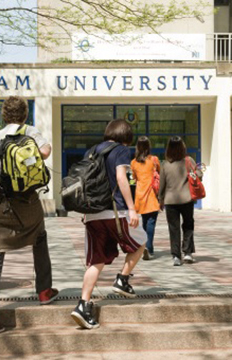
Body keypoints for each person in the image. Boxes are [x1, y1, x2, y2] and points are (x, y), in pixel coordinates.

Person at [0, 96, 58, 335]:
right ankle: (44, 291)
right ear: (24, 115)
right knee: (39, 238)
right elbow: (45, 151)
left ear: (3, 115)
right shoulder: (30, 131)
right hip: (27, 202)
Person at [70, 119, 147, 330]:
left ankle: (82, 305)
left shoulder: (91, 151)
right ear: (126, 136)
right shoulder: (120, 150)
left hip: (92, 214)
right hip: (116, 212)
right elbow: (122, 178)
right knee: (140, 242)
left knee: (96, 261)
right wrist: (132, 208)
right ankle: (122, 279)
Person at [159, 136, 202, 266]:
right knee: (188, 225)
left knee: (174, 228)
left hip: (170, 201)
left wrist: (160, 200)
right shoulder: (189, 161)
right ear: (182, 147)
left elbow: (162, 185)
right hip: (187, 199)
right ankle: (188, 253)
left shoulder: (165, 165)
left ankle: (176, 256)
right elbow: (199, 175)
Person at [131, 136, 160, 260]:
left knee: (144, 222)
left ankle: (143, 246)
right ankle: (149, 247)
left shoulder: (133, 163)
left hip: (140, 196)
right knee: (151, 223)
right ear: (149, 146)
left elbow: (133, 179)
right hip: (152, 195)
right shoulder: (154, 160)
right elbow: (159, 173)